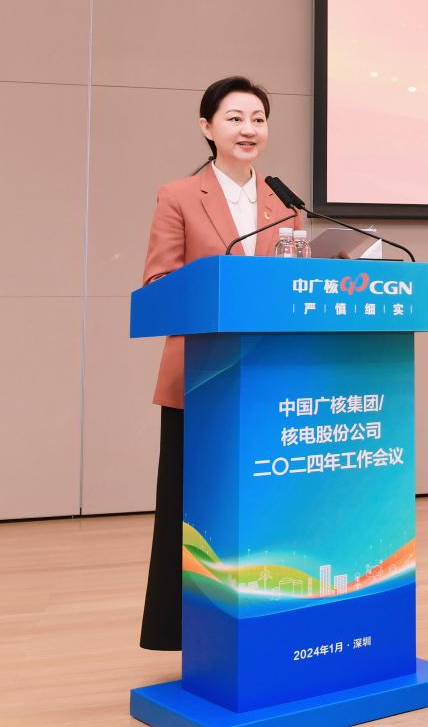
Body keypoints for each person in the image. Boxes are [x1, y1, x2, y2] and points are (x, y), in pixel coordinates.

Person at [138, 76, 302, 651]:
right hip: (201, 379)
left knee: (260, 507)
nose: (248, 129)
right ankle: (185, 633)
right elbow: (158, 284)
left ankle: (262, 627)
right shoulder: (179, 195)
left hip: (265, 379)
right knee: (193, 512)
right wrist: (224, 286)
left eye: (258, 118)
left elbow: (292, 288)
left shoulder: (285, 206)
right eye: (235, 118)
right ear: (207, 127)